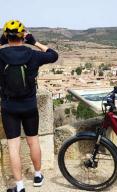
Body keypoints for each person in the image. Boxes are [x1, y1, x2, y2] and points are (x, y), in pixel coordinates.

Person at [0, 20, 58, 192]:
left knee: (13, 146)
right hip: (30, 106)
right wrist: (34, 42)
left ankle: (19, 186)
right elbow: (54, 55)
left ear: (6, 36)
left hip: (9, 107)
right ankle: (38, 175)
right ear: (23, 35)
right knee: (33, 142)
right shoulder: (32, 54)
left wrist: (1, 42)